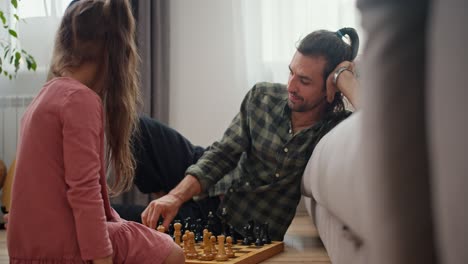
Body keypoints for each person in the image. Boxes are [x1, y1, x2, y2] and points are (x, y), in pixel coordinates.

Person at [133, 27, 360, 241]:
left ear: (329, 87)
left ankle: (170, 212)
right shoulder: (263, 95)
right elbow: (223, 153)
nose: (291, 86)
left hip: (226, 223)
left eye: (304, 81)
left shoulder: (335, 129)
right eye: (291, 72)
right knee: (137, 128)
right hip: (210, 174)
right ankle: (168, 199)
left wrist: (344, 76)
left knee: (118, 222)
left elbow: (380, 125)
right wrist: (176, 196)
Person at [6, 0, 184, 263]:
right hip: (65, 248)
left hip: (27, 251)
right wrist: (101, 258)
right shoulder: (81, 100)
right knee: (173, 252)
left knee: (128, 227)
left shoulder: (43, 97)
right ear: (117, 51)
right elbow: (84, 191)